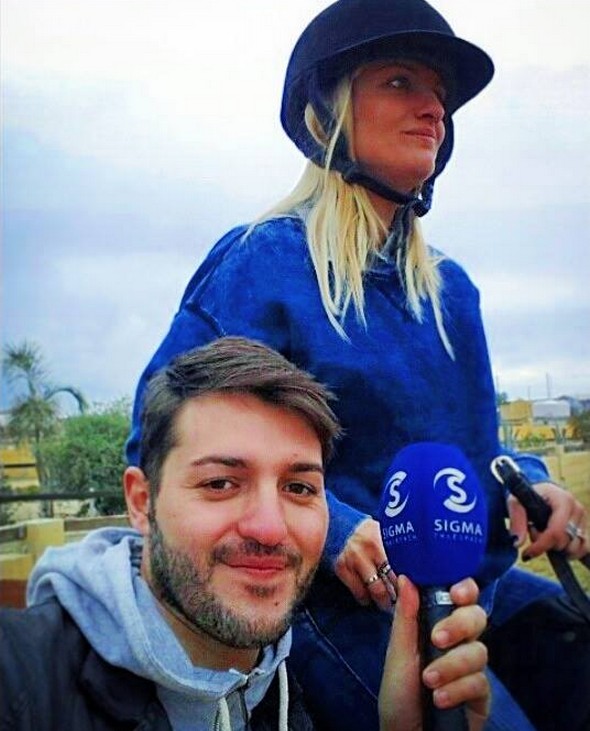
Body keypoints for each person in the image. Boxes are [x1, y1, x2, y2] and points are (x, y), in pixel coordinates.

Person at [125, 1, 590, 729]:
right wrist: (335, 526)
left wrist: (530, 485)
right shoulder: (264, 264)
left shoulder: (451, 291)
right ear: (327, 115)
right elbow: (159, 441)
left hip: (479, 585)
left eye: (439, 92)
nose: (434, 108)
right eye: (401, 82)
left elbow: (477, 451)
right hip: (346, 608)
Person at [0, 337, 490, 731]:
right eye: (220, 484)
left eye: (299, 488)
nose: (269, 528)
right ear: (141, 502)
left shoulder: (283, 693)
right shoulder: (20, 680)